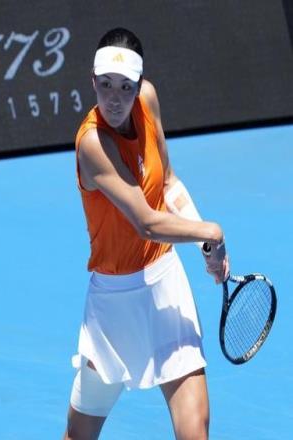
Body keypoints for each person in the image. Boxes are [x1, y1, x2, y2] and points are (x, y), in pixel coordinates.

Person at [63, 27, 229, 440]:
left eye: (125, 87)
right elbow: (145, 222)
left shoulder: (148, 100)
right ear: (92, 81)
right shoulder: (92, 144)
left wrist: (204, 244)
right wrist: (208, 231)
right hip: (114, 304)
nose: (114, 98)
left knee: (195, 429)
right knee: (79, 435)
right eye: (105, 85)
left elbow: (168, 182)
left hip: (165, 285)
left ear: (140, 85)